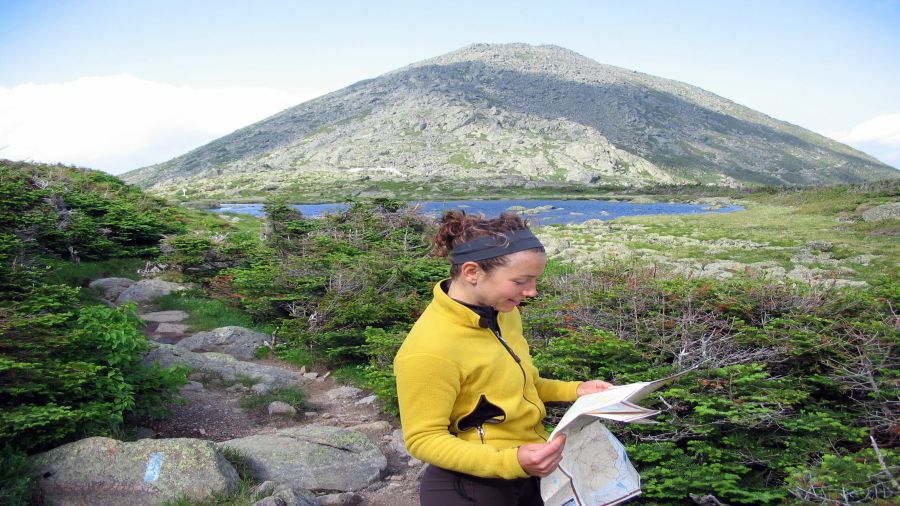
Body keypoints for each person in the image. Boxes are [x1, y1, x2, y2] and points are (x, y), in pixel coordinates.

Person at [394, 211, 613, 505]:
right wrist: (512, 461)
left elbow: (519, 385)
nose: (532, 291)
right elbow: (423, 439)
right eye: (521, 280)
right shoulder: (429, 348)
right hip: (470, 487)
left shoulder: (503, 314)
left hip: (528, 471)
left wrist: (575, 390)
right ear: (472, 273)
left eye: (535, 280)